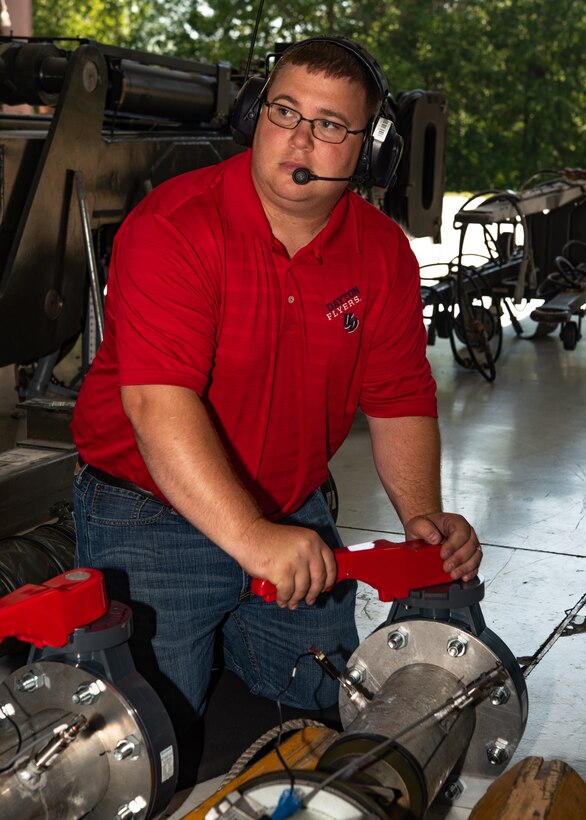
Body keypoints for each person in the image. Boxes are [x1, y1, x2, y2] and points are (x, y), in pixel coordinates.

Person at [71, 36, 482, 742]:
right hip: (149, 516)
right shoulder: (177, 227)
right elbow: (156, 402)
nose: (299, 138)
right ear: (254, 117)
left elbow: (400, 398)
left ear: (372, 152)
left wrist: (422, 517)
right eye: (284, 111)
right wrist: (252, 538)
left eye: (329, 125)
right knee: (143, 745)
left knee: (323, 714)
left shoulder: (381, 252)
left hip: (293, 516)